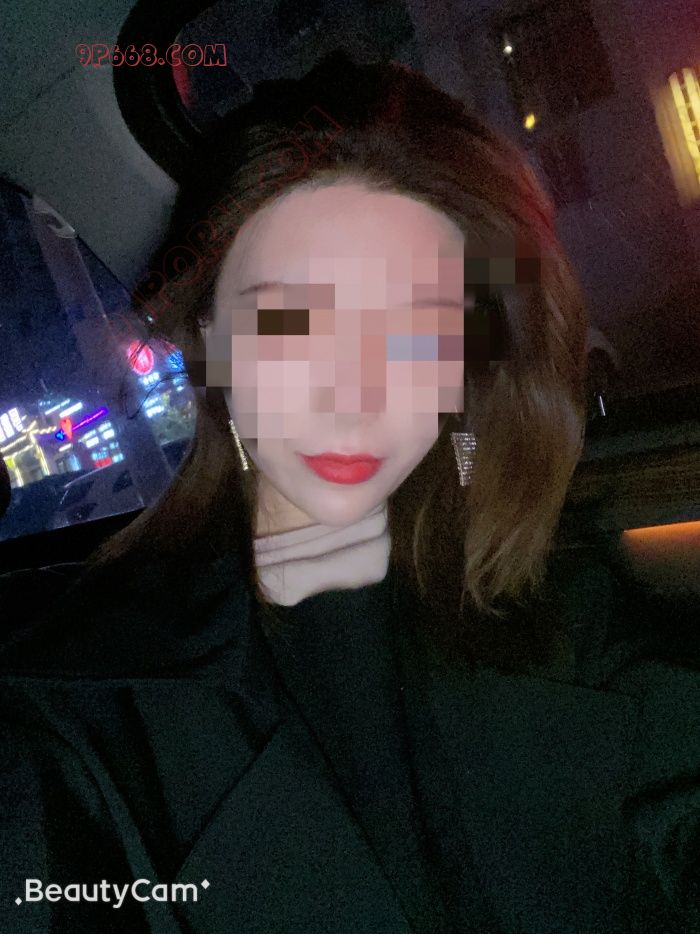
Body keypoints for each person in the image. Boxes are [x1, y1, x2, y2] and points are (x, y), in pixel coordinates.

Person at [0, 50, 697, 933]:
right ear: (208, 342)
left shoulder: (579, 621)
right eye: (291, 321)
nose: (354, 394)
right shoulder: (71, 718)